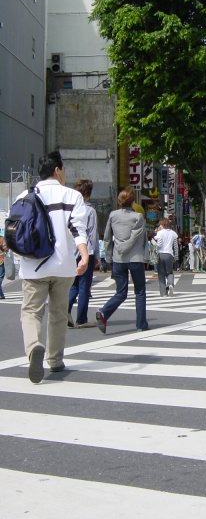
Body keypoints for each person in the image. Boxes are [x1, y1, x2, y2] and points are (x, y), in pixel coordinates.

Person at [16, 151, 88, 383]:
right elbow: (78, 228)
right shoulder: (72, 196)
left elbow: (15, 232)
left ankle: (34, 347)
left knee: (31, 312)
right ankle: (55, 360)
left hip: (32, 266)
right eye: (63, 170)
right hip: (63, 265)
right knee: (58, 314)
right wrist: (84, 256)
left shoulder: (24, 196)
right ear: (57, 171)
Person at [96, 186, 149, 333]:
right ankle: (141, 324)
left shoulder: (113, 215)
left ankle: (104, 312)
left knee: (121, 292)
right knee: (139, 292)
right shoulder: (138, 217)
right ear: (132, 202)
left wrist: (108, 257)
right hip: (135, 258)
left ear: (119, 201)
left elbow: (107, 238)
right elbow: (138, 238)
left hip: (118, 258)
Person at [67, 179, 99, 328]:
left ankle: (64, 314)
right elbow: (92, 234)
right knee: (84, 286)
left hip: (71, 251)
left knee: (73, 285)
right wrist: (97, 256)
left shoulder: (69, 209)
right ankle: (81, 319)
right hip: (86, 251)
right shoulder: (90, 211)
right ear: (88, 193)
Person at [155, 218, 178, 296]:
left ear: (162, 224)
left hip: (161, 255)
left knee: (161, 274)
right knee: (170, 272)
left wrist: (153, 242)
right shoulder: (173, 233)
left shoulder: (160, 233)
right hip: (169, 255)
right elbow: (175, 246)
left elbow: (159, 245)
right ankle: (170, 284)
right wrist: (176, 256)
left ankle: (163, 294)